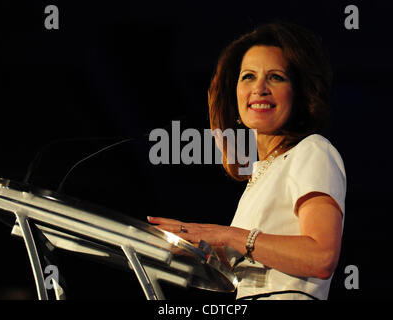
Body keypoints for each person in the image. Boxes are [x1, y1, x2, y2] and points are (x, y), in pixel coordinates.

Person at [148, 21, 346, 300]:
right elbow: (251, 259)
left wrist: (228, 236)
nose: (259, 88)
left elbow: (321, 256)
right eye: (248, 76)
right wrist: (180, 243)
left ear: (300, 94)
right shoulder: (261, 176)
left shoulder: (313, 151)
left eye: (276, 77)